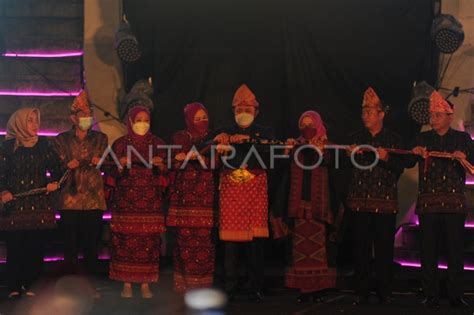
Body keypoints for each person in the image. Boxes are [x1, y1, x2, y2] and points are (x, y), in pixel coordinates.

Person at [409, 90, 474, 309]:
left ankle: (456, 294)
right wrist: (415, 152)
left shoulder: (462, 138)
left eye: (437, 115)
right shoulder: (423, 138)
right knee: (428, 251)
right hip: (429, 203)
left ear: (448, 116)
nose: (433, 119)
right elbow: (408, 161)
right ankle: (430, 293)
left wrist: (464, 158)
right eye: (431, 115)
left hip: (454, 204)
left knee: (455, 250)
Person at [214, 84, 273, 302]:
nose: (243, 113)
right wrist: (220, 139)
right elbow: (207, 143)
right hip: (231, 192)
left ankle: (255, 286)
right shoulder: (225, 131)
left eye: (247, 110)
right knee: (230, 244)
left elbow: (268, 154)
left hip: (255, 191)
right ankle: (230, 286)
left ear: (256, 112)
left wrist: (248, 140)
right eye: (239, 110)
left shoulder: (265, 132)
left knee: (255, 243)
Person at [346, 87, 404, 305]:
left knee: (383, 248)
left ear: (381, 114)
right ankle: (361, 291)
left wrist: (387, 157)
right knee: (360, 248)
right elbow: (342, 168)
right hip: (359, 201)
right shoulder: (355, 138)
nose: (366, 116)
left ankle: (384, 291)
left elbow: (403, 166)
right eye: (364, 112)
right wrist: (348, 155)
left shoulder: (393, 139)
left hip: (385, 202)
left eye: (370, 112)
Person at [272, 111, 337, 303]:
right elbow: (281, 170)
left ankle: (319, 289)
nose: (307, 128)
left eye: (311, 124)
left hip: (320, 207)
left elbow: (332, 164)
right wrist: (286, 151)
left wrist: (321, 150)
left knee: (320, 250)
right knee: (300, 249)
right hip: (297, 205)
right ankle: (304, 289)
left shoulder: (327, 145)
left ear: (318, 125)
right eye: (303, 125)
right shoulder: (294, 145)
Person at [0, 108, 61, 298]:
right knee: (16, 247)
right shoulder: (7, 147)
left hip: (38, 205)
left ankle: (32, 284)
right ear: (19, 123)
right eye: (30, 120)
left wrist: (54, 183)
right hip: (14, 206)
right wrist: (4, 191)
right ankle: (14, 287)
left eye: (36, 120)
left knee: (35, 247)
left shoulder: (44, 144)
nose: (35, 125)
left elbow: (58, 171)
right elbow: (1, 174)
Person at [108, 105, 167, 299]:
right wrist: (120, 165)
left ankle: (145, 283)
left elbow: (168, 172)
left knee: (148, 242)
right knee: (125, 242)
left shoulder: (158, 143)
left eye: (146, 120)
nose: (143, 123)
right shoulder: (119, 144)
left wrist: (161, 165)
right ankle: (126, 283)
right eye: (139, 119)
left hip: (150, 203)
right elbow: (110, 174)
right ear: (131, 121)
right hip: (126, 203)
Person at [53, 90, 108, 280]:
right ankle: (70, 284)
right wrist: (67, 164)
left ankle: (90, 284)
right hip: (70, 197)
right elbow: (58, 165)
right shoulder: (61, 139)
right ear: (73, 118)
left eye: (89, 114)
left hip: (93, 198)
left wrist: (94, 161)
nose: (86, 118)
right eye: (82, 114)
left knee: (91, 244)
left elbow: (102, 161)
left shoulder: (100, 139)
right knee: (70, 245)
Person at [168, 102, 216, 293]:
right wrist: (182, 158)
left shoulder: (212, 138)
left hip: (206, 199)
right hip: (184, 200)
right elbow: (171, 162)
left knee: (205, 243)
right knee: (184, 242)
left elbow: (217, 163)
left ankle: (203, 285)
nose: (202, 122)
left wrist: (203, 160)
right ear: (188, 119)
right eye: (197, 118)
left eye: (204, 117)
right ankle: (185, 285)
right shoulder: (180, 137)